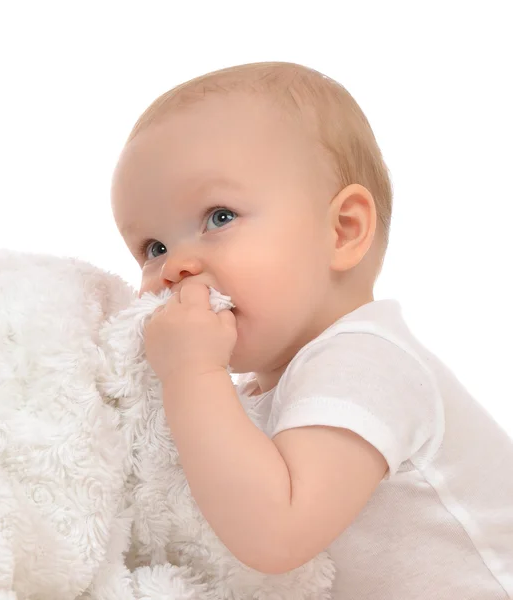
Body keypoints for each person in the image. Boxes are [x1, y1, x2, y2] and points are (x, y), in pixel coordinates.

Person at [110, 61, 513, 599]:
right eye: (153, 249)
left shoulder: (366, 360)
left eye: (219, 216)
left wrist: (191, 372)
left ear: (343, 230)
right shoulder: (262, 392)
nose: (175, 267)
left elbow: (276, 535)